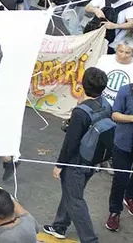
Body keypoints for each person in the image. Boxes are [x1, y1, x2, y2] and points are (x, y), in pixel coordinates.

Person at [43, 66, 108, 243]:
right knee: (71, 193)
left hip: (76, 163)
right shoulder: (105, 104)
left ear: (82, 84)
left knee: (76, 200)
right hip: (92, 159)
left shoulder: (80, 113)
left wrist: (59, 165)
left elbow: (70, 143)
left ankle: (90, 239)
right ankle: (59, 226)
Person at [108, 70, 133, 232]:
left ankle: (129, 196)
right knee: (120, 179)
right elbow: (115, 115)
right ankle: (114, 212)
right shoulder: (125, 90)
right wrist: (132, 118)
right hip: (124, 143)